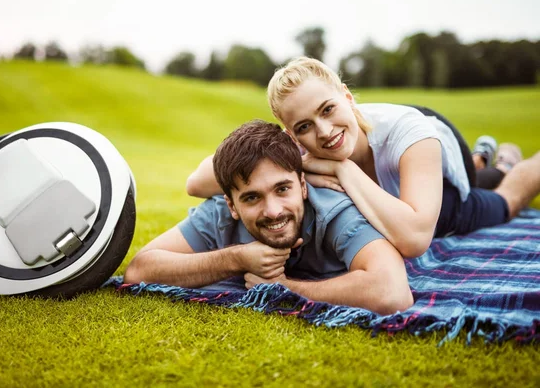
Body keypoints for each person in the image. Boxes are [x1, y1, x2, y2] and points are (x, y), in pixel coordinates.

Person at [186, 57, 540, 258]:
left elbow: (415, 239)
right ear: (290, 132)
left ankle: (501, 163)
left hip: (437, 155)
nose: (323, 132)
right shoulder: (297, 144)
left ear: (347, 96)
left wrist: (342, 169)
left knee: (501, 199)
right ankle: (492, 160)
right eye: (305, 126)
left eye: (328, 109)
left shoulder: (412, 134)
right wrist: (296, 155)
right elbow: (197, 183)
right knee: (486, 175)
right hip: (402, 168)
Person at [125, 121, 413, 315]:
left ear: (302, 185)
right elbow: (139, 270)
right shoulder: (219, 212)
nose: (273, 210)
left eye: (282, 189)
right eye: (252, 197)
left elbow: (392, 292)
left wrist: (285, 288)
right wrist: (236, 259)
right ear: (232, 205)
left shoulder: (334, 211)